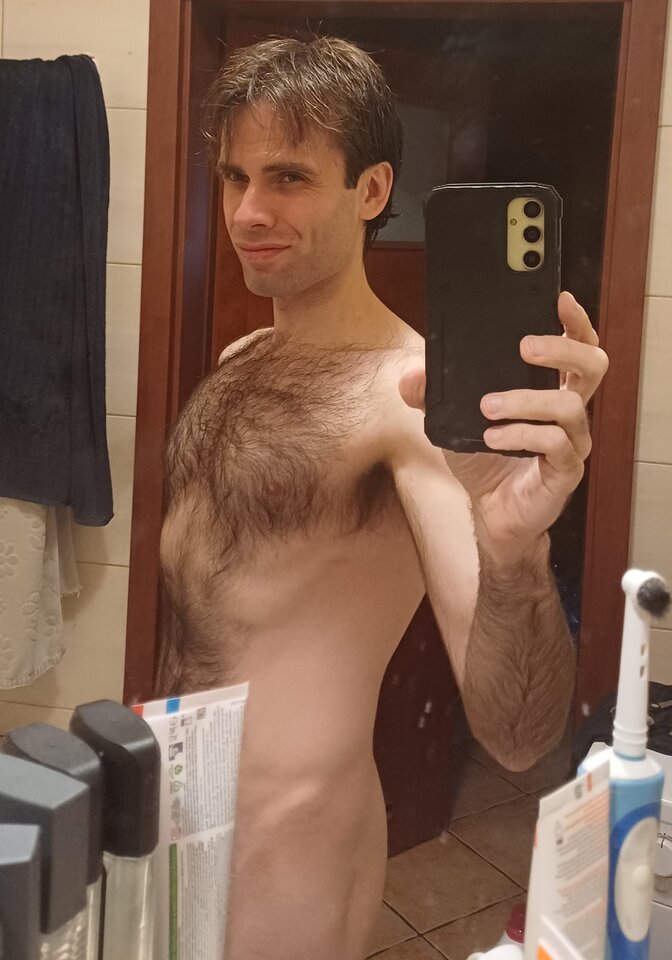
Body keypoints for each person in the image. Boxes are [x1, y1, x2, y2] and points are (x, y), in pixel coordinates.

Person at [156, 35, 609, 960]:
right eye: (236, 176)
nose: (248, 211)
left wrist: (515, 550)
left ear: (371, 190)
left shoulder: (409, 402)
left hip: (290, 874)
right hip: (171, 829)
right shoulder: (242, 361)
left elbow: (517, 736)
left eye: (289, 177)